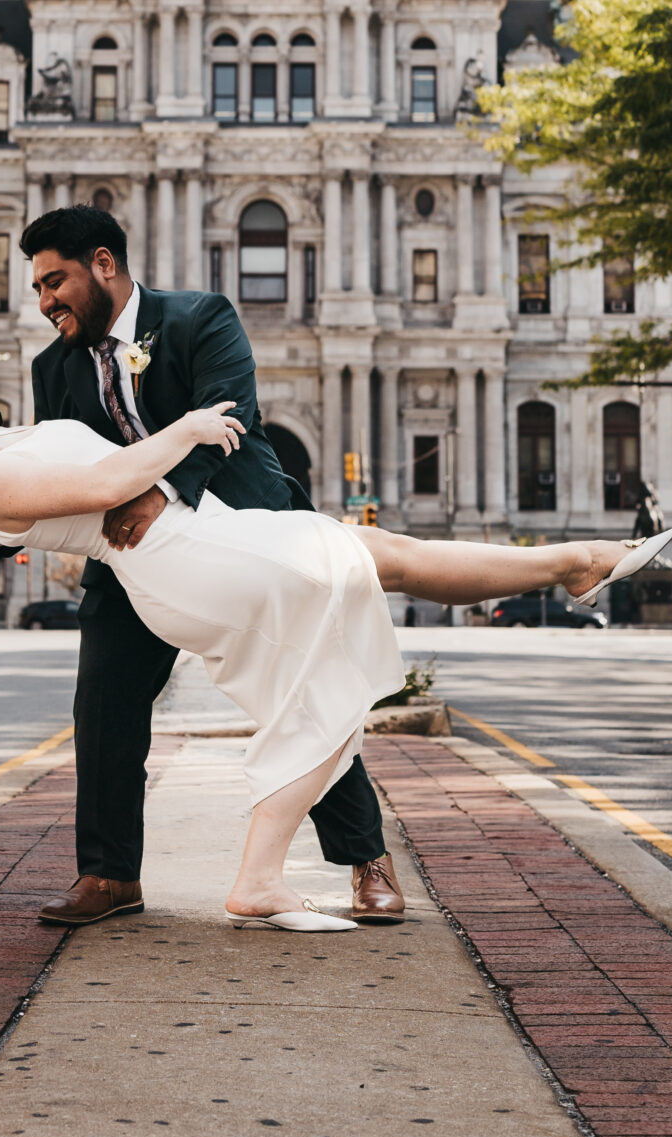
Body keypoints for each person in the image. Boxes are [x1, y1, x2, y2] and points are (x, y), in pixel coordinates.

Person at [0, 386, 636, 932]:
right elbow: (104, 478)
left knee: (377, 563)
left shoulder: (0, 447)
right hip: (183, 558)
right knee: (330, 666)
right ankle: (258, 878)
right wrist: (187, 429)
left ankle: (571, 562)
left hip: (202, 535)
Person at [21, 205, 402, 928]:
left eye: (54, 282)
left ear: (103, 264)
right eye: (37, 288)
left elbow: (229, 413)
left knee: (298, 695)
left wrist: (159, 493)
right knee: (102, 704)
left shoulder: (199, 318)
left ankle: (366, 860)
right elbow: (59, 461)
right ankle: (107, 876)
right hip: (131, 558)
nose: (45, 303)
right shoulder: (53, 368)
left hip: (245, 538)